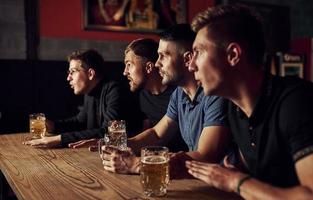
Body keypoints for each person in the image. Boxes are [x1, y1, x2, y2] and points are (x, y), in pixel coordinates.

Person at [186, 4, 313, 199]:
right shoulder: (234, 109)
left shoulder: (297, 103)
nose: (192, 65)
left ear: (233, 55)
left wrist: (235, 182)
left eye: (199, 52)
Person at [101, 24, 230, 178]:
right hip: (196, 181)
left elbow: (206, 156)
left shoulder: (215, 95)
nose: (157, 63)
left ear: (188, 59)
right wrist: (119, 147)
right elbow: (157, 133)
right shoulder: (179, 94)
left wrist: (136, 164)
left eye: (164, 56)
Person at [23, 49, 124, 148]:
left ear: (90, 74)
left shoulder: (114, 90)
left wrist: (59, 139)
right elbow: (80, 122)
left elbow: (108, 132)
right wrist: (53, 126)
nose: (68, 78)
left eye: (73, 72)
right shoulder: (90, 91)